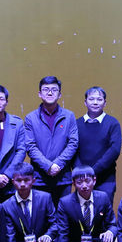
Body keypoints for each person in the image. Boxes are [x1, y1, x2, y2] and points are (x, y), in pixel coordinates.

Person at [55, 165, 117, 242]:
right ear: (73, 183)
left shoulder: (103, 197)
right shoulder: (65, 202)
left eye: (87, 181)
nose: (84, 186)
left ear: (94, 180)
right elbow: (62, 234)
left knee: (107, 241)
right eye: (79, 182)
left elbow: (112, 224)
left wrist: (110, 231)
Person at [24, 76, 79, 204]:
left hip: (63, 177)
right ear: (39, 94)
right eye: (46, 89)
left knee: (63, 213)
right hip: (39, 178)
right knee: (41, 214)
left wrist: (58, 164)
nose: (50, 93)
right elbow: (30, 146)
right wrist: (48, 166)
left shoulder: (69, 116)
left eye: (54, 90)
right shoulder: (31, 118)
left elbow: (73, 143)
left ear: (59, 94)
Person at [2, 162, 59, 242]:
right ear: (13, 181)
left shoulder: (45, 198)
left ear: (33, 180)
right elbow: (10, 236)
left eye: (26, 180)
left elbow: (55, 223)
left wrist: (48, 235)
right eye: (19, 180)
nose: (22, 184)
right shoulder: (6, 206)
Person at [76, 86, 122, 205]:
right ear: (85, 102)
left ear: (105, 103)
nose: (95, 102)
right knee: (83, 211)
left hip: (106, 179)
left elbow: (114, 150)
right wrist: (82, 173)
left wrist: (92, 171)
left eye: (99, 99)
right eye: (91, 99)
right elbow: (73, 149)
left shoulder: (112, 123)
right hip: (82, 179)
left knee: (103, 212)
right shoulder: (77, 123)